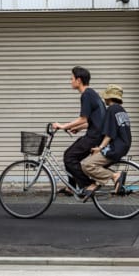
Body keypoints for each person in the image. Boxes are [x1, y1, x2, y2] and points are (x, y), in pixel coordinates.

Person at [52, 66, 104, 196]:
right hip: (97, 134)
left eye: (71, 79)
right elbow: (93, 120)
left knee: (69, 157)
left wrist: (63, 126)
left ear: (78, 80)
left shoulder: (86, 95)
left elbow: (83, 118)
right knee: (70, 155)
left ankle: (88, 184)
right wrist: (78, 128)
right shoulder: (92, 93)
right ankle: (72, 186)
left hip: (94, 137)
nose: (70, 81)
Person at [79, 83, 132, 198]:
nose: (104, 98)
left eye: (105, 96)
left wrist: (100, 148)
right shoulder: (121, 111)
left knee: (87, 165)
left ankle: (115, 176)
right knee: (93, 163)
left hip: (114, 148)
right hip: (123, 146)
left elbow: (109, 133)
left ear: (109, 97)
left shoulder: (111, 110)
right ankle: (102, 181)